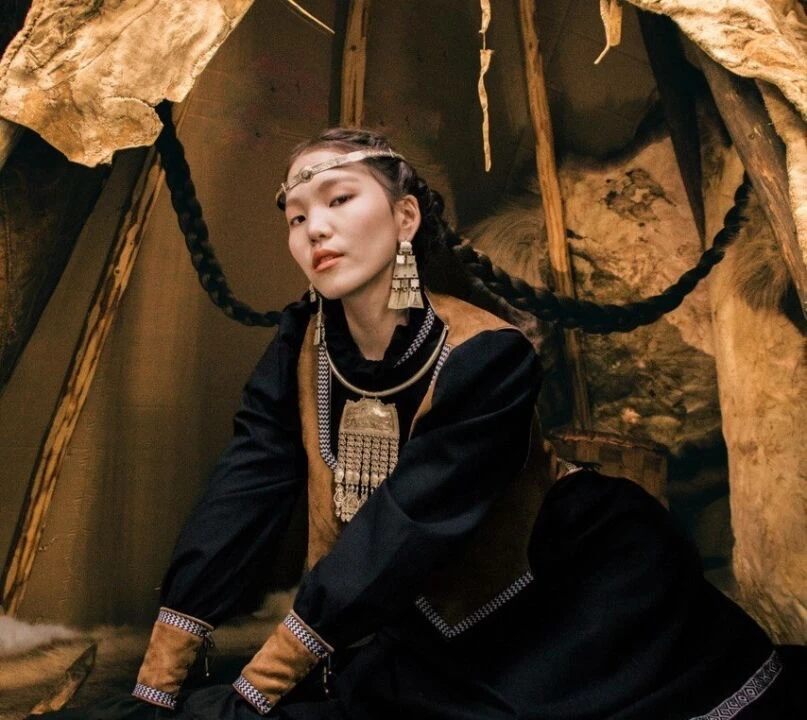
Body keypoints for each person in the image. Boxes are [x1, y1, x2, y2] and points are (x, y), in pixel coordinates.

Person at [35, 128, 801, 720]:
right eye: (296, 215)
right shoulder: (301, 342)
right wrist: (160, 674)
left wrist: (260, 684)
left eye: (339, 199)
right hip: (415, 600)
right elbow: (245, 485)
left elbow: (407, 520)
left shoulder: (486, 354)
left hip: (565, 589)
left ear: (404, 217)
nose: (314, 228)